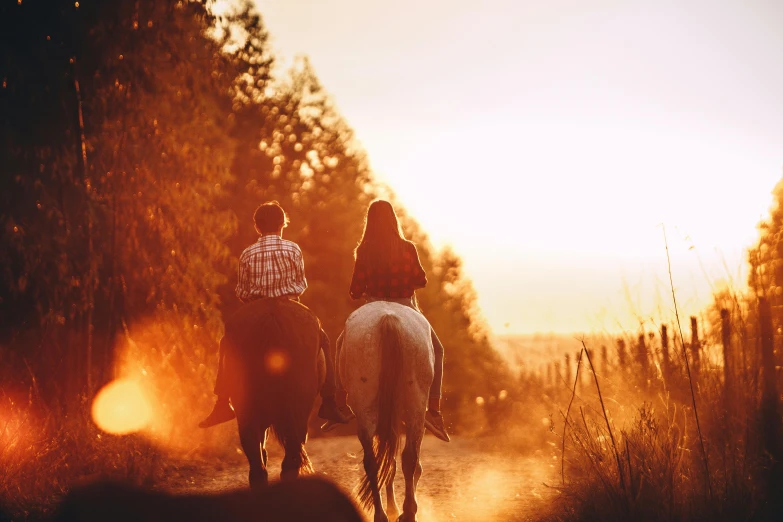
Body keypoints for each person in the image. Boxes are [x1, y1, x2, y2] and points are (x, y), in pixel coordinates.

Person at [198, 201, 354, 429]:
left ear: (257, 227)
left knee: (227, 342)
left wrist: (255, 302)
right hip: (288, 303)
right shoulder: (293, 249)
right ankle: (329, 401)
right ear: (283, 224)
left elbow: (242, 291)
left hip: (256, 305)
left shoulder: (247, 253)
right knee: (324, 341)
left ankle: (222, 402)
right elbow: (300, 285)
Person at [323, 199, 450, 442]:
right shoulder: (408, 248)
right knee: (438, 350)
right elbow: (421, 280)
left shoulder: (364, 250)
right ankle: (433, 410)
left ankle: (339, 405)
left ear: (369, 222)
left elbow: (355, 290)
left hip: (372, 303)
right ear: (394, 220)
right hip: (405, 304)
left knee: (341, 345)